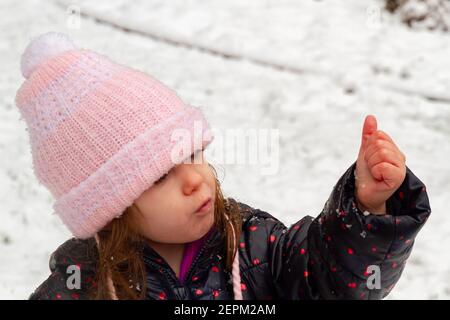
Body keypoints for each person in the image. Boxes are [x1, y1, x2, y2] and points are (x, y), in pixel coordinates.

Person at [14, 32, 431, 300]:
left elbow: (330, 280)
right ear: (110, 208)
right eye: (161, 176)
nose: (195, 180)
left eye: (192, 153)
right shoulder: (82, 286)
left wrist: (369, 208)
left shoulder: (254, 245)